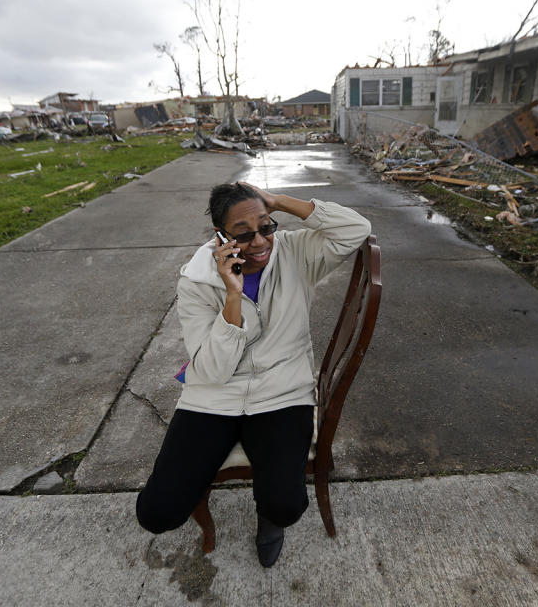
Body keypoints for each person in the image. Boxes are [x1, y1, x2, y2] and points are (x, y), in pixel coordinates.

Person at [135, 182, 371, 567]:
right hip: (213, 397)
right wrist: (232, 296)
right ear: (221, 236)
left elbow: (355, 228)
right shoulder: (197, 281)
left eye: (266, 226)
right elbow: (210, 369)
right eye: (243, 234)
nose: (260, 241)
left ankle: (269, 519)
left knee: (286, 507)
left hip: (282, 394)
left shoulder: (295, 252)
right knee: (157, 513)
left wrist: (276, 202)